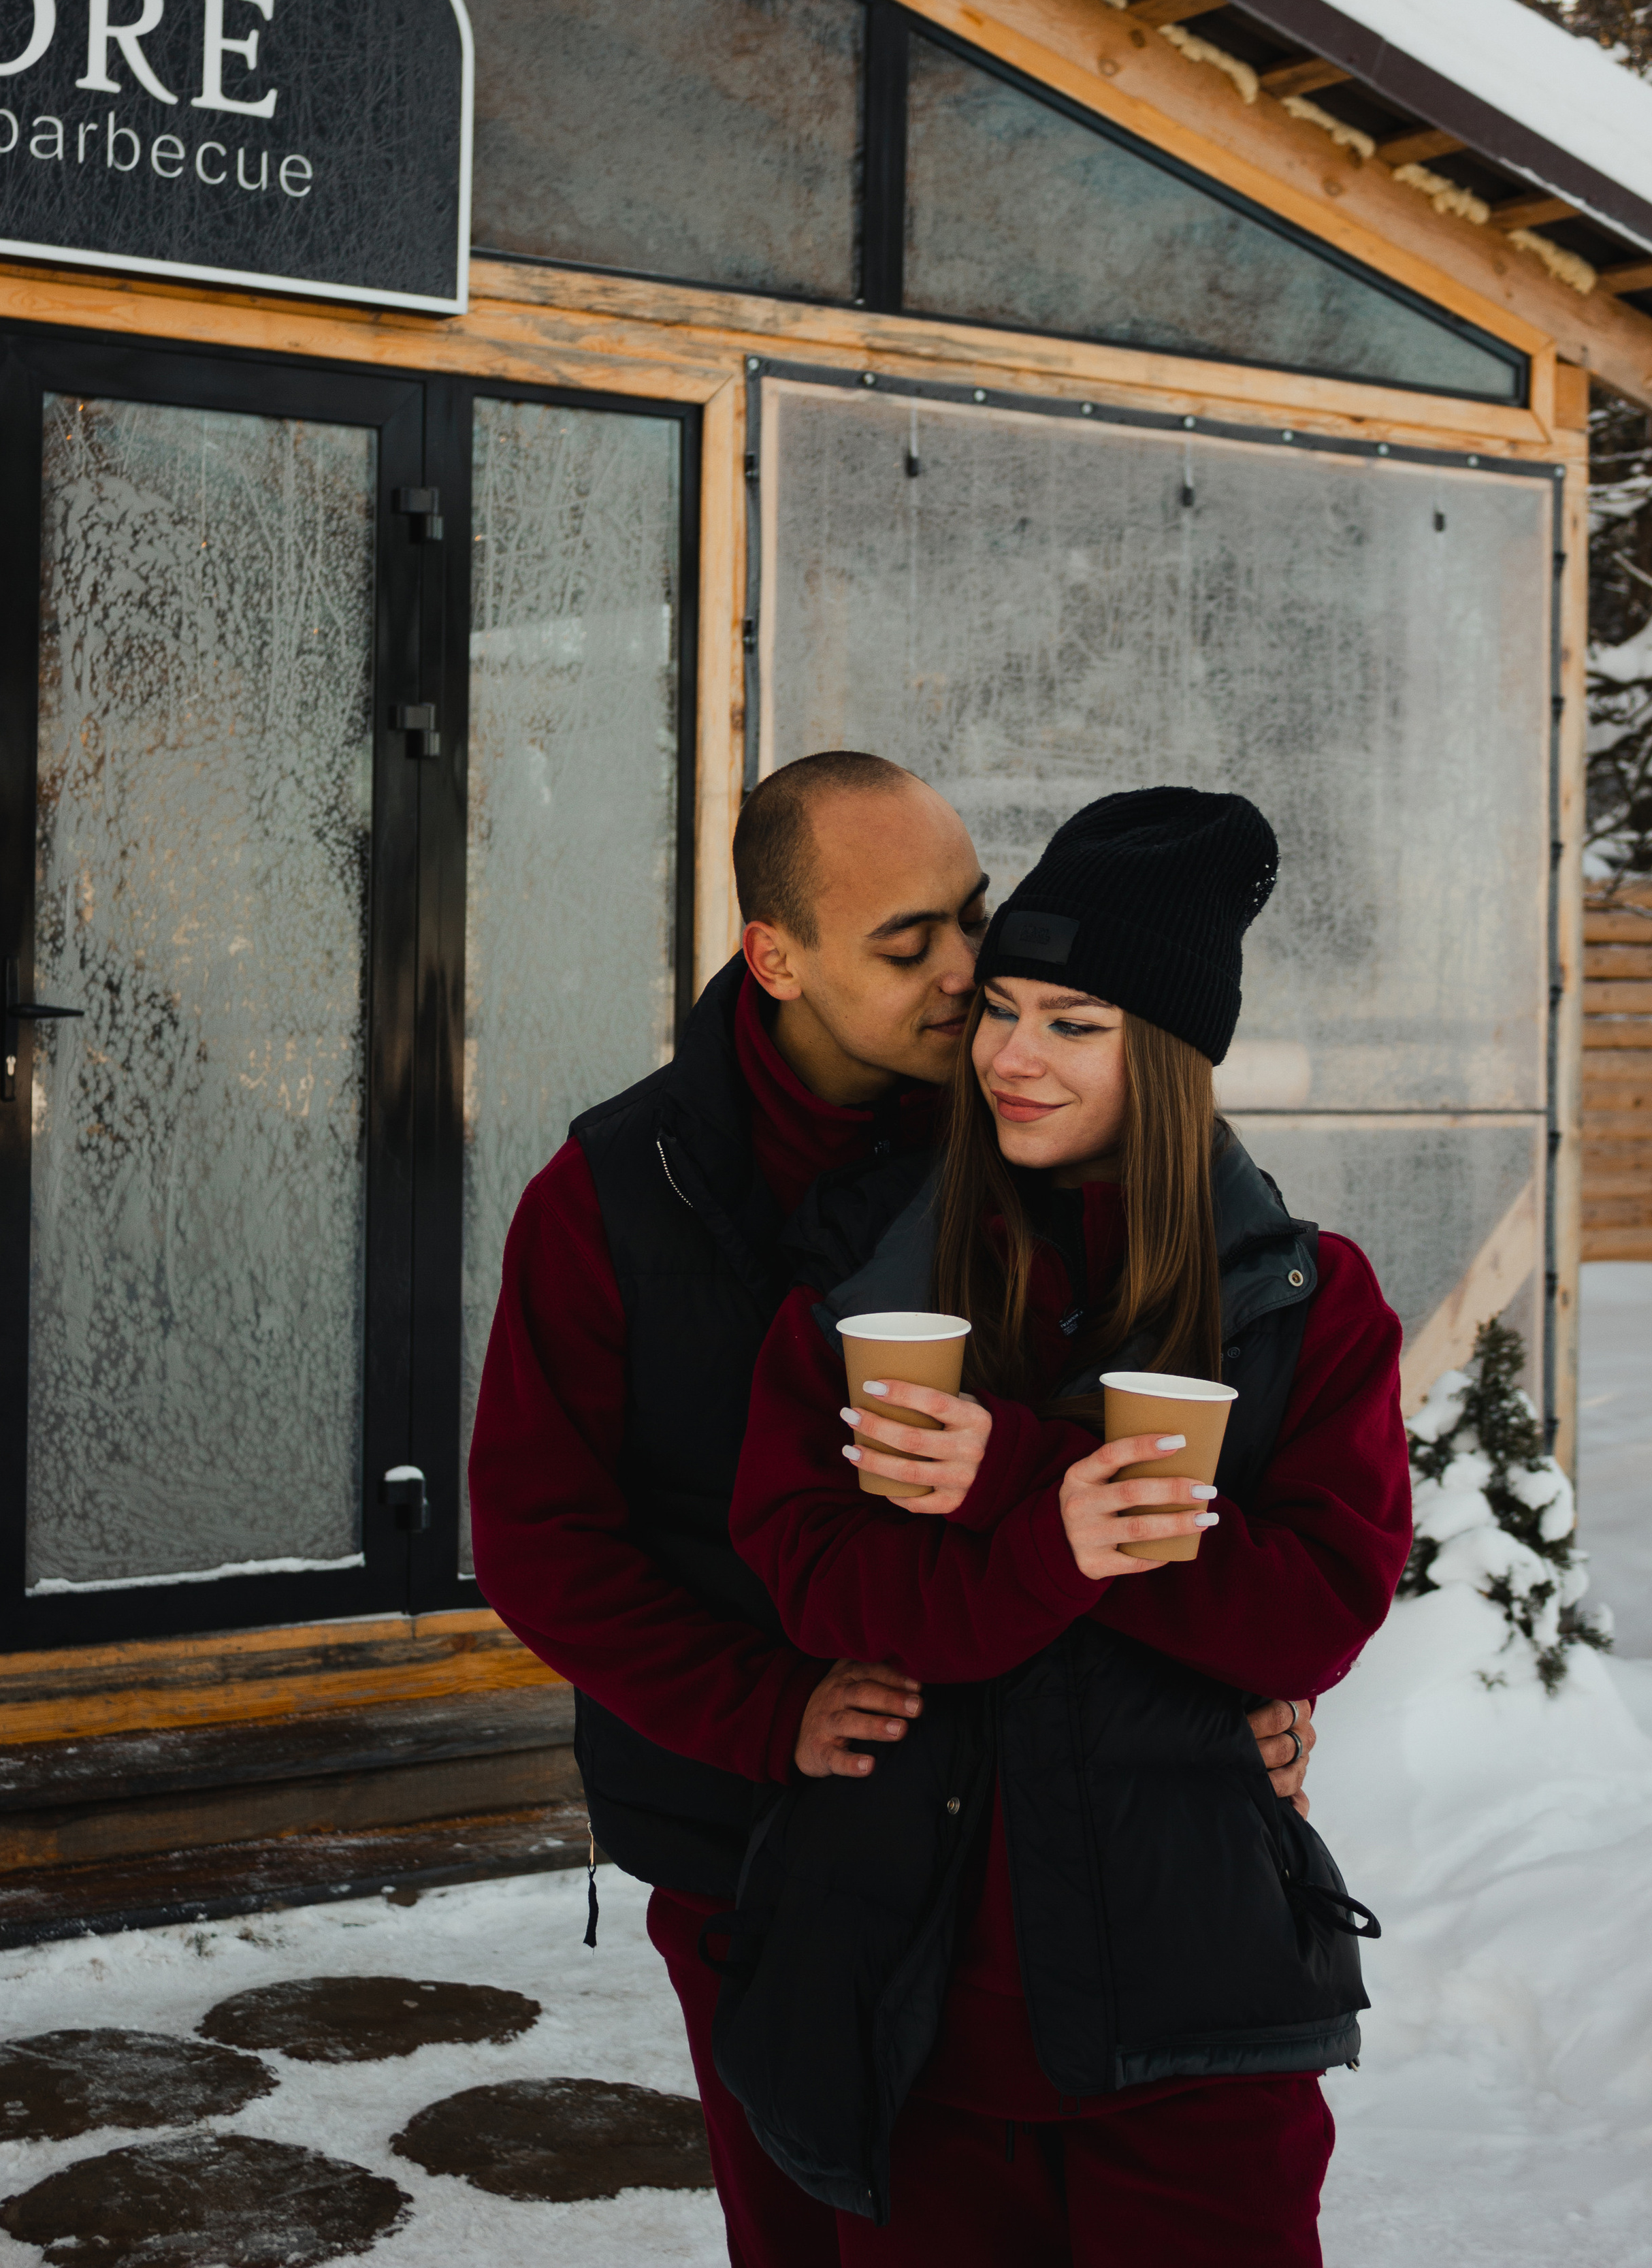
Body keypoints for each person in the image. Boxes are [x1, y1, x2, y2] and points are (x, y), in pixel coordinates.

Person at [470, 760, 1321, 2268]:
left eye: (972, 919)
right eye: (907, 941)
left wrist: (1216, 1698)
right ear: (776, 954)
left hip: (1018, 1851)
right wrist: (765, 1707)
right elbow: (541, 1538)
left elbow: (1200, 1451)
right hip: (750, 1824)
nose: (966, 975)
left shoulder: (1020, 1134)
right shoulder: (615, 1193)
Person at [724, 787, 1412, 2266]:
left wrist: (1015, 1478)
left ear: (1163, 1056)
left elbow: (1311, 1613)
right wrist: (1059, 1537)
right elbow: (816, 1575)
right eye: (1000, 1012)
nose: (1008, 1059)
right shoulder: (869, 1289)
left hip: (1194, 2027)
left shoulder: (1300, 1304)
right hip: (916, 2021)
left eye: (1072, 1025)